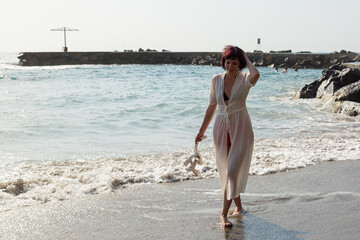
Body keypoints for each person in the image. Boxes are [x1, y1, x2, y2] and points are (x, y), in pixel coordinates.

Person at [195, 45, 260, 228]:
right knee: (227, 171)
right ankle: (238, 206)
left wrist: (246, 57)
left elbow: (256, 75)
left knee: (231, 171)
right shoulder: (216, 80)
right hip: (221, 127)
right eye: (227, 62)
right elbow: (212, 107)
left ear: (240, 65)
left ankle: (223, 215)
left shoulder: (245, 78)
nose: (230, 66)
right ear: (223, 62)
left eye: (234, 63)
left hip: (241, 127)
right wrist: (201, 131)